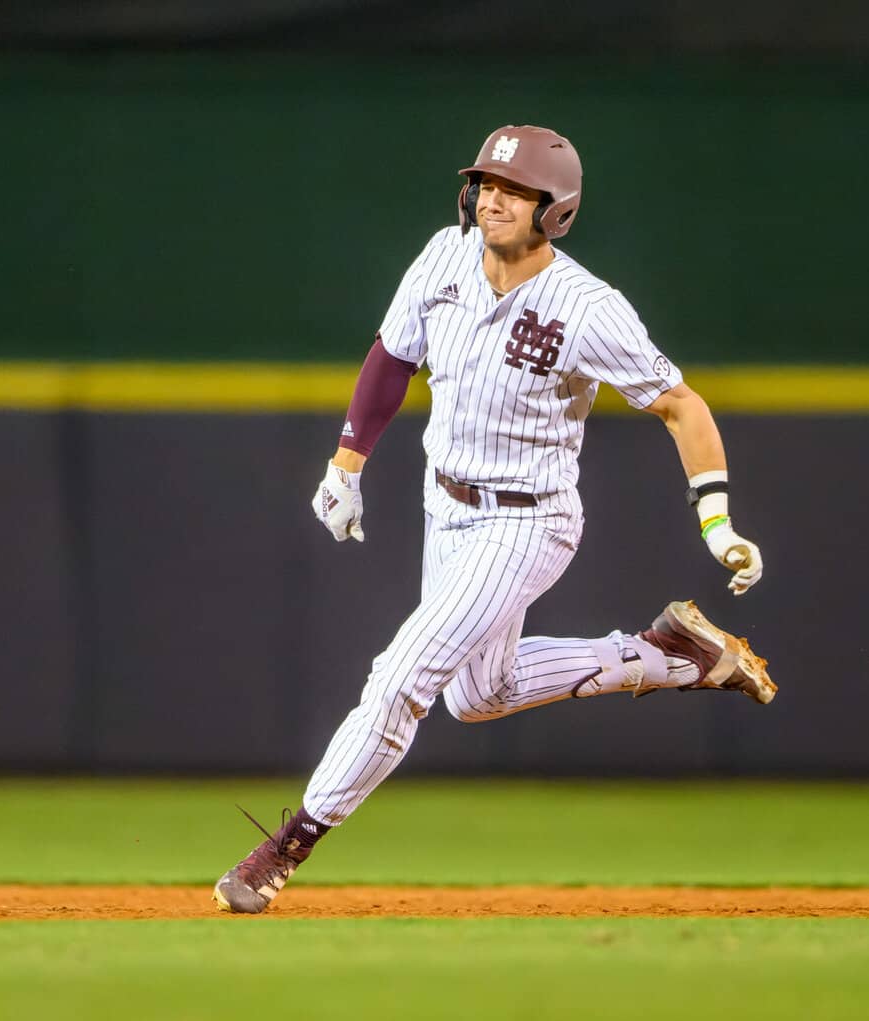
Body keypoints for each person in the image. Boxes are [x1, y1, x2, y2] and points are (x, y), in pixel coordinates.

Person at [214, 125, 775, 914]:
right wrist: (347, 464)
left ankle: (285, 847)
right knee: (478, 694)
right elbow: (391, 356)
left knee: (402, 676)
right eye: (485, 183)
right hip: (444, 502)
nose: (493, 199)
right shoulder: (443, 254)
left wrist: (716, 521)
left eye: (516, 190)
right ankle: (674, 656)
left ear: (558, 210)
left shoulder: (588, 308)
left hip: (528, 521)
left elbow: (681, 405)